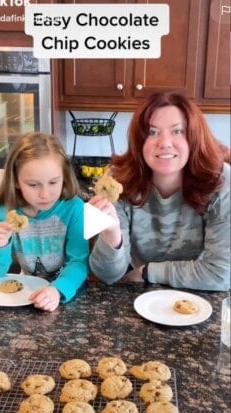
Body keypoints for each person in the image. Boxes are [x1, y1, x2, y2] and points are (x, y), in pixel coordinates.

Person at [89, 90, 230, 291]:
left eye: (177, 131)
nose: (164, 143)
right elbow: (108, 276)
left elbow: (219, 274)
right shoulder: (118, 183)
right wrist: (111, 234)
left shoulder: (222, 183)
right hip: (138, 294)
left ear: (194, 138)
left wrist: (147, 272)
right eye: (153, 132)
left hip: (198, 291)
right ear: (139, 142)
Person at [0, 132, 89, 311]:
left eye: (53, 182)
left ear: (64, 177)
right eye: (33, 185)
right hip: (26, 296)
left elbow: (79, 262)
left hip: (67, 293)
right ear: (16, 181)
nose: (45, 194)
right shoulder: (6, 211)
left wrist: (57, 289)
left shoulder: (74, 208)